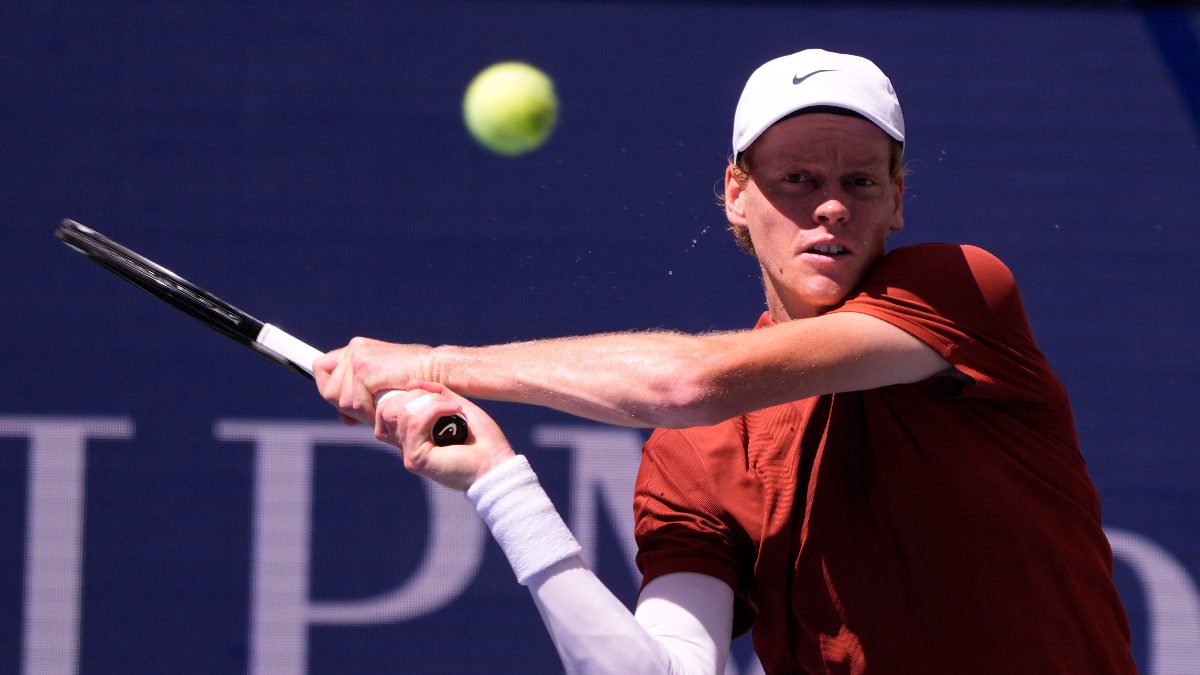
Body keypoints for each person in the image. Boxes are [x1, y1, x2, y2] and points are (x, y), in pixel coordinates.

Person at [315, 49, 1137, 674]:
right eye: (797, 178)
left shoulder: (963, 289)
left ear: (896, 201)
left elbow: (687, 382)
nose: (830, 205)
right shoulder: (695, 456)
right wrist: (499, 481)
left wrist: (435, 363)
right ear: (737, 195)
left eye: (860, 179)